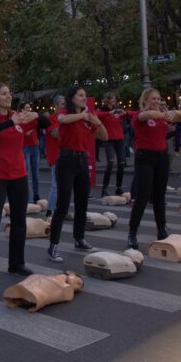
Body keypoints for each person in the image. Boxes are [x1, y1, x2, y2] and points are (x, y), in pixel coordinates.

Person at [0, 83, 41, 287]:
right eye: (3, 94)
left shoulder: (17, 116)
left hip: (19, 175)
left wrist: (36, 116)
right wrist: (11, 123)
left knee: (19, 222)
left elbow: (45, 123)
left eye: (9, 93)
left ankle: (16, 264)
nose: (8, 96)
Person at [47, 86, 108, 263]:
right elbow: (62, 120)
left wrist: (97, 121)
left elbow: (104, 137)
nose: (84, 98)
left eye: (85, 95)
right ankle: (53, 245)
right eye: (80, 95)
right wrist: (83, 115)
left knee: (82, 203)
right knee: (63, 205)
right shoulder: (66, 112)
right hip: (66, 160)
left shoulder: (88, 118)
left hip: (82, 160)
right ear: (72, 98)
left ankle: (79, 239)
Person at [126, 89, 181, 249]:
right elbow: (148, 115)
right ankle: (132, 233)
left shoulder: (162, 117)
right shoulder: (140, 115)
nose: (156, 101)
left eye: (158, 98)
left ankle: (161, 230)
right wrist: (166, 114)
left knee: (160, 197)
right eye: (153, 98)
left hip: (161, 157)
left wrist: (175, 113)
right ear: (145, 100)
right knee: (142, 197)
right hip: (145, 157)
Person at [97, 92, 128, 196]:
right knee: (110, 163)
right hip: (109, 140)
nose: (114, 100)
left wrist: (124, 114)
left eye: (114, 98)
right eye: (112, 98)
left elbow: (126, 117)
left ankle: (118, 187)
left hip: (120, 140)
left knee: (121, 164)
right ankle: (104, 189)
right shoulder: (102, 111)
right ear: (107, 100)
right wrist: (109, 113)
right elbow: (97, 115)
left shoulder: (117, 110)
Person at [44, 95, 64, 219]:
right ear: (56, 106)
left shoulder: (67, 117)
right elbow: (55, 133)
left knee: (65, 186)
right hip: (55, 156)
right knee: (55, 185)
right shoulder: (51, 119)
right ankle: (49, 211)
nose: (65, 106)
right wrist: (66, 124)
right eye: (62, 104)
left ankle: (61, 210)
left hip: (66, 155)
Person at [19, 102, 41, 203]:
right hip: (26, 147)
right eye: (26, 108)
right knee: (26, 173)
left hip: (35, 147)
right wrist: (26, 133)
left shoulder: (33, 118)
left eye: (29, 107)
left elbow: (40, 123)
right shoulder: (20, 119)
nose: (29, 109)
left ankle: (36, 195)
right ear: (22, 110)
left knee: (35, 173)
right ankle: (27, 198)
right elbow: (19, 132)